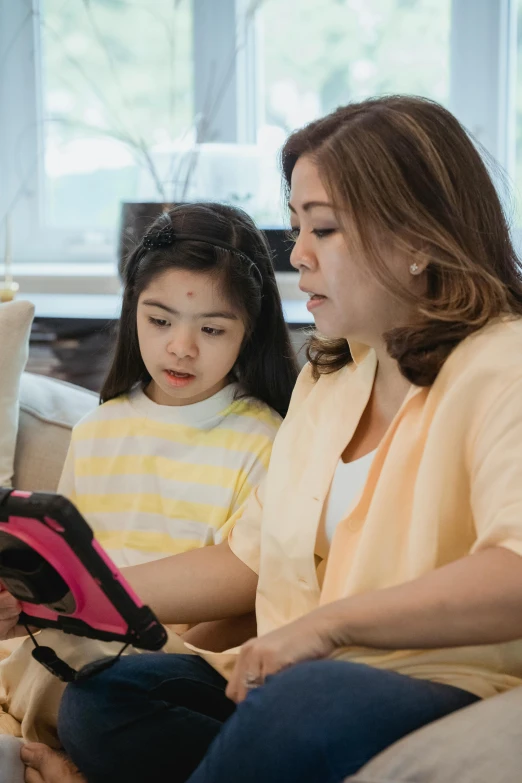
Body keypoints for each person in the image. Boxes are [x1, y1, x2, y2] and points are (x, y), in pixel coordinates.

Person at [15, 94, 522, 783]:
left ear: (419, 239)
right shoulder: (335, 375)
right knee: (106, 699)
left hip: (424, 676)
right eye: (294, 226)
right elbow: (245, 560)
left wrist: (329, 626)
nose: (297, 253)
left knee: (304, 702)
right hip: (292, 682)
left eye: (324, 229)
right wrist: (65, 594)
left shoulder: (504, 363)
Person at [0, 201, 298, 751]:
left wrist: (148, 657)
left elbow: (248, 603)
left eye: (211, 328)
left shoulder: (266, 439)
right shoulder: (98, 430)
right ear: (133, 306)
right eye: (159, 320)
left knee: (97, 699)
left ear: (249, 332)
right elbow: (61, 566)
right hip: (77, 646)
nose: (180, 347)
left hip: (176, 665)